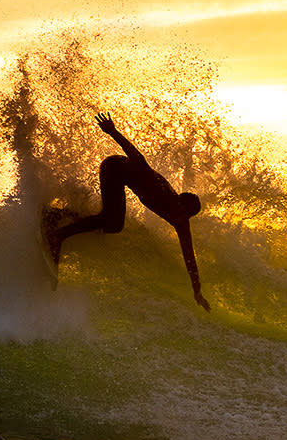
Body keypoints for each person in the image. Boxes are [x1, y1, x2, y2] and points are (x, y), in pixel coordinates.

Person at [48, 113, 210, 311]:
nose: (177, 217)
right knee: (111, 218)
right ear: (177, 200)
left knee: (114, 225)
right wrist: (112, 131)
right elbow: (137, 158)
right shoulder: (159, 189)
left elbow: (189, 258)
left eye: (183, 217)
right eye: (179, 211)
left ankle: (57, 215)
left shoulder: (181, 222)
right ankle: (59, 235)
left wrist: (197, 291)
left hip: (122, 179)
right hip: (114, 167)